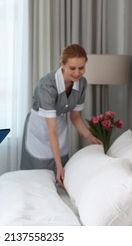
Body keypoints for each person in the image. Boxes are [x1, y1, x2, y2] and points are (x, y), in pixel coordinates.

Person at [21, 44, 102, 187]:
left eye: (81, 68)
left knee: (60, 179)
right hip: (40, 128)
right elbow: (51, 130)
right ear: (62, 64)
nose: (77, 73)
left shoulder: (81, 83)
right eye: (72, 68)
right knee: (37, 179)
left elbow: (75, 117)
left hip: (58, 126)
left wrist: (90, 136)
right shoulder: (47, 85)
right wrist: (59, 166)